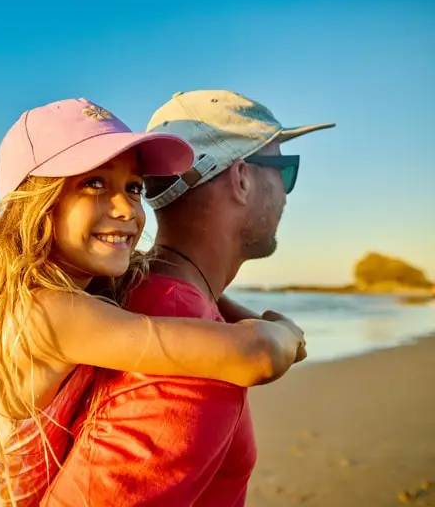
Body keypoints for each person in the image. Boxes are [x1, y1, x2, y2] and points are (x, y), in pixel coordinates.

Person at [0, 98, 307, 507]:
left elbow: (185, 286)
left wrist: (242, 313)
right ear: (36, 206)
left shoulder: (64, 297)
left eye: (134, 187)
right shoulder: (49, 314)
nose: (126, 208)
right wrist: (285, 331)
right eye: (94, 183)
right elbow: (255, 355)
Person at [41, 90, 334, 506]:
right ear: (242, 178)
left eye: (134, 188)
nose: (286, 195)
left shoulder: (147, 294)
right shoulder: (192, 354)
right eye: (285, 171)